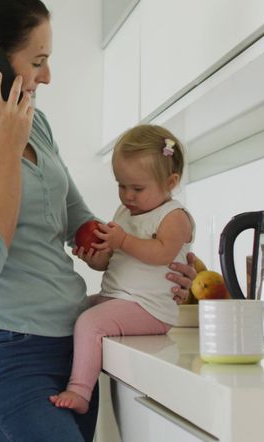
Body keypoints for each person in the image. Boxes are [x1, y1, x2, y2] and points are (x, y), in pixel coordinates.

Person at [0, 0, 198, 442]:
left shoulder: (35, 122)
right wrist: (7, 146)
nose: (47, 77)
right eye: (38, 62)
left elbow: (78, 223)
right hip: (0, 349)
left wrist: (161, 261)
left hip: (72, 344)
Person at [50, 124, 193, 414]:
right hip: (119, 298)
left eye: (138, 188)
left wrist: (123, 239)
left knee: (90, 323)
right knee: (70, 309)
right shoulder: (125, 212)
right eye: (121, 185)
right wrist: (96, 258)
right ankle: (60, 375)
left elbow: (163, 252)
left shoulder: (174, 216)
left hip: (149, 308)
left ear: (171, 181)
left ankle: (80, 391)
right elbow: (115, 261)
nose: (128, 195)